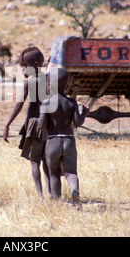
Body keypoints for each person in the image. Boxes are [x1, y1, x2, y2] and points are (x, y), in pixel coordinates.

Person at [3, 46, 50, 200]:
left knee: (35, 161)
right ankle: (51, 193)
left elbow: (19, 105)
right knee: (47, 162)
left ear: (35, 65)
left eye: (24, 66)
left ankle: (40, 195)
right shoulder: (49, 80)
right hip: (49, 125)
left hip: (34, 125)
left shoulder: (30, 83)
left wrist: (7, 124)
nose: (22, 69)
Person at [37, 68, 88, 207]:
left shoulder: (46, 103)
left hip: (52, 141)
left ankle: (56, 201)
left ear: (50, 84)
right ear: (66, 85)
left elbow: (41, 125)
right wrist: (84, 113)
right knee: (71, 172)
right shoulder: (71, 103)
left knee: (54, 174)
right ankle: (74, 191)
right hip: (68, 141)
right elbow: (78, 122)